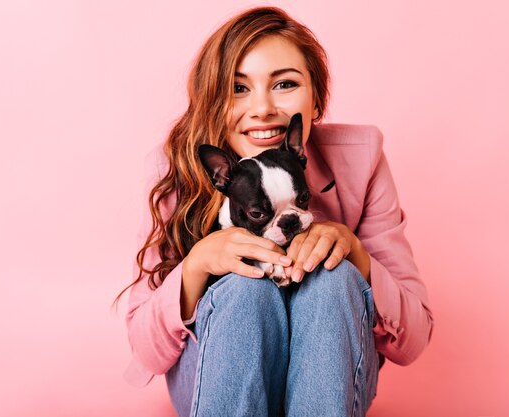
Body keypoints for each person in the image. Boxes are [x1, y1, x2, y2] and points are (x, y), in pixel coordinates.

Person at [116, 6, 433, 417]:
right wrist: (196, 267)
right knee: (244, 290)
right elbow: (144, 351)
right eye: (239, 88)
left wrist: (353, 251)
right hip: (215, 378)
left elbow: (415, 338)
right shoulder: (176, 169)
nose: (263, 107)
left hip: (332, 379)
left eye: (284, 84)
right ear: (211, 103)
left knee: (333, 278)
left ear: (317, 98)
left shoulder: (362, 158)